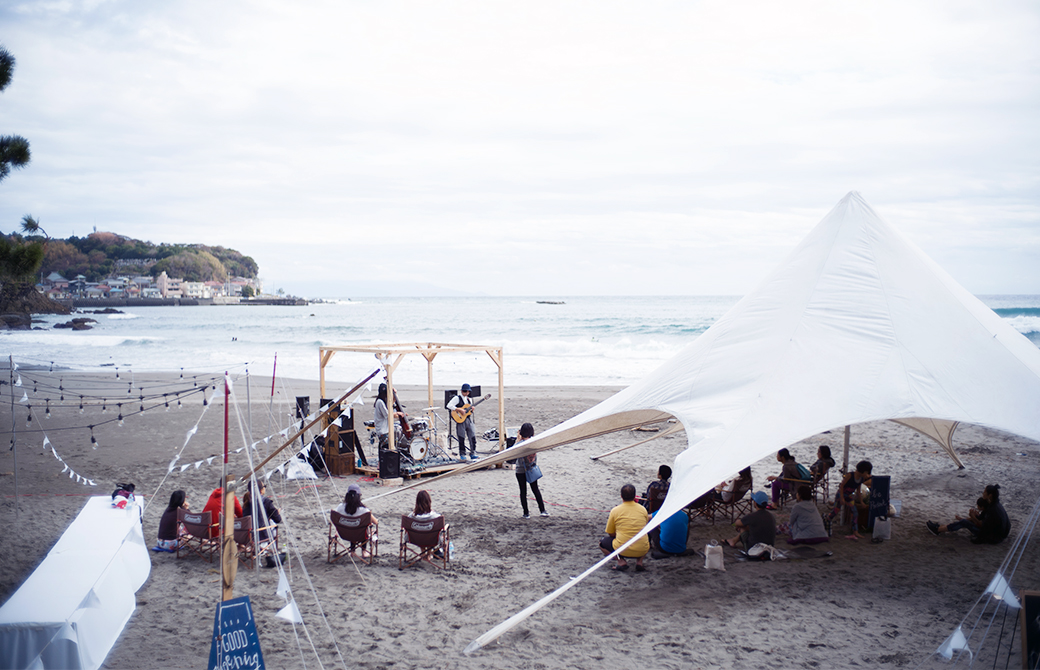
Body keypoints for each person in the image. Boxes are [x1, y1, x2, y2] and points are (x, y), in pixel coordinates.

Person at [927, 484, 1010, 544]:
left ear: (990, 495)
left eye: (984, 492)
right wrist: (971, 517)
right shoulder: (995, 504)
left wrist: (973, 517)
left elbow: (982, 525)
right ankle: (941, 527)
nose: (983, 493)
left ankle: (938, 530)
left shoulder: (993, 510)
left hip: (992, 538)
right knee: (964, 521)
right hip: (998, 535)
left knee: (964, 522)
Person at [600, 483, 650, 572]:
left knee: (602, 543)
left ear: (621, 496)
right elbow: (644, 526)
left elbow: (610, 532)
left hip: (622, 548)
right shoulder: (643, 509)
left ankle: (621, 561)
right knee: (644, 537)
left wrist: (619, 535)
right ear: (635, 496)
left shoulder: (615, 510)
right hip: (642, 548)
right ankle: (639, 562)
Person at [828, 460, 872, 540]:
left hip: (848, 496)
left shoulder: (861, 479)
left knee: (854, 512)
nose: (868, 475)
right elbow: (841, 487)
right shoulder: (850, 475)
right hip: (840, 495)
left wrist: (861, 502)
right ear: (864, 471)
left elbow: (858, 491)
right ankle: (827, 520)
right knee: (835, 511)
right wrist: (841, 498)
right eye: (867, 473)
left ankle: (855, 531)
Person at [513, 422, 548, 519]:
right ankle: (542, 510)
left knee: (523, 491)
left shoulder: (518, 445)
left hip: (520, 470)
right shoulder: (534, 443)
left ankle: (526, 513)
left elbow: (511, 454)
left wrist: (518, 439)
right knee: (535, 489)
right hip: (531, 470)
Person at [334, 483, 378, 554]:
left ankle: (352, 551)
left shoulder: (340, 507)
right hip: (360, 535)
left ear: (347, 495)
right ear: (359, 496)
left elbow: (334, 517)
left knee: (352, 526)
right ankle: (364, 551)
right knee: (364, 528)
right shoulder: (364, 511)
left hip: (344, 534)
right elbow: (376, 522)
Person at [242, 479, 282, 544]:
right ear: (261, 490)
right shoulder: (266, 501)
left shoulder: (246, 501)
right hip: (263, 535)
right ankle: (270, 549)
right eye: (264, 486)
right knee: (274, 526)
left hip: (248, 536)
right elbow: (278, 519)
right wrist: (277, 513)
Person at [446, 383, 478, 460]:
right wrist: (459, 409)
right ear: (461, 391)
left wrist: (472, 409)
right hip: (460, 420)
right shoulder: (457, 398)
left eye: (467, 392)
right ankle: (462, 454)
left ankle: (473, 452)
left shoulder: (469, 399)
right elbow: (449, 405)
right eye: (464, 391)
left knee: (472, 435)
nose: (466, 393)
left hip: (468, 419)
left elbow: (468, 410)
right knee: (461, 437)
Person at [374, 383, 404, 450]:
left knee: (384, 447)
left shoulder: (383, 402)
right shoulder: (380, 402)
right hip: (382, 430)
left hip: (385, 429)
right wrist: (397, 413)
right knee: (386, 447)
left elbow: (392, 406)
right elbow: (387, 415)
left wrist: (395, 394)